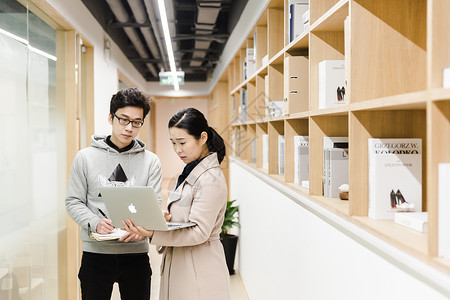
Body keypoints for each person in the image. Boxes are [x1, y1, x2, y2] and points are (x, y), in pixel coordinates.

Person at [123, 107, 230, 300]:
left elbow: (199, 231)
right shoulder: (192, 170)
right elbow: (187, 216)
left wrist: (154, 232)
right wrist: (164, 220)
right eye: (173, 143)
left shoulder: (211, 179)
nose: (177, 150)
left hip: (199, 270)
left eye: (182, 142)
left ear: (203, 138)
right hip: (183, 263)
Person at [65, 87, 162, 300]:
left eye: (137, 122)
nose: (129, 128)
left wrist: (143, 228)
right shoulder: (85, 157)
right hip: (96, 255)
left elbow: (155, 204)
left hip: (136, 254)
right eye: (123, 120)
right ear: (111, 117)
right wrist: (95, 222)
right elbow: (73, 201)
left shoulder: (151, 161)